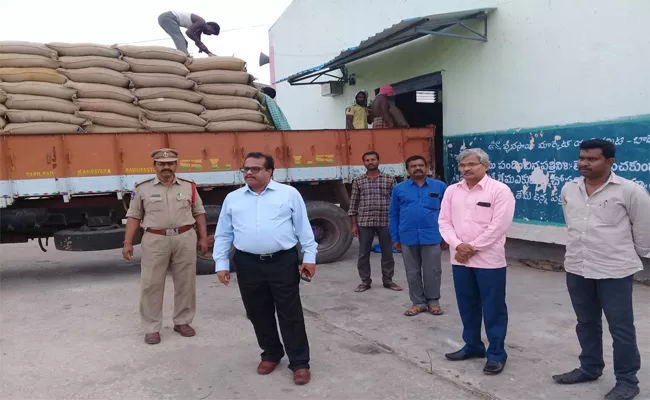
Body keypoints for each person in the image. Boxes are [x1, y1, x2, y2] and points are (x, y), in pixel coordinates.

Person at [552, 139, 649, 400]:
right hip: (577, 266)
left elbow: (643, 230)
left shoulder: (629, 191)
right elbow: (571, 223)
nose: (583, 163)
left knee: (621, 327)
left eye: (591, 159)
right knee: (586, 323)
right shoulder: (569, 189)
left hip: (614, 270)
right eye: (581, 157)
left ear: (609, 162)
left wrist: (635, 259)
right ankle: (590, 367)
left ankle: (628, 380)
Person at [212, 152, 317, 385]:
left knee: (290, 313)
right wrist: (221, 264)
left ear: (270, 172)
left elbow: (303, 228)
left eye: (255, 169)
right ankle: (271, 353)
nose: (249, 173)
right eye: (246, 169)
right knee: (257, 311)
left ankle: (299, 362)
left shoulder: (288, 194)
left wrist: (309, 257)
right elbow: (223, 234)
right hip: (247, 263)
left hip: (282, 261)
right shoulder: (233, 198)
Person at [438, 148, 515, 376]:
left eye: (471, 164)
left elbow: (499, 226)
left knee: (493, 308)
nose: (466, 169)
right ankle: (473, 346)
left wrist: (472, 248)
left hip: (489, 260)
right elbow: (444, 221)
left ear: (486, 166)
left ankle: (496, 354)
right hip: (459, 259)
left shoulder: (500, 191)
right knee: (467, 305)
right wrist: (457, 245)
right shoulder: (452, 191)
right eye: (463, 165)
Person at [122, 148, 209, 345]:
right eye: (161, 164)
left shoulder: (189, 187)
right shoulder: (142, 188)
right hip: (155, 240)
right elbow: (134, 216)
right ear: (154, 166)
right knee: (151, 284)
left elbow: (199, 213)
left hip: (185, 237)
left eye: (170, 163)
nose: (166, 167)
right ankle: (152, 327)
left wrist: (203, 238)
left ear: (176, 165)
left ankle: (182, 321)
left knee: (186, 282)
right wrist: (128, 242)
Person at [389, 155, 447, 316]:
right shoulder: (399, 189)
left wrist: (447, 236)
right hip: (407, 236)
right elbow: (393, 213)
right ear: (407, 170)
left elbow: (448, 212)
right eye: (413, 166)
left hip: (432, 236)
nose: (417, 168)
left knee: (433, 271)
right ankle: (418, 303)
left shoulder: (440, 186)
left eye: (421, 165)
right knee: (412, 272)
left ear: (427, 168)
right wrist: (395, 237)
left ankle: (433, 301)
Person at [348, 151, 402, 292]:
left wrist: (397, 224)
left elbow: (396, 203)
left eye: (373, 159)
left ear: (378, 161)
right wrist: (354, 224)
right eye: (367, 160)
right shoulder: (358, 181)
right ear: (364, 163)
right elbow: (353, 204)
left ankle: (388, 281)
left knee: (387, 253)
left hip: (386, 221)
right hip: (364, 222)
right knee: (363, 254)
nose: (370, 162)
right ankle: (365, 282)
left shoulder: (389, 180)